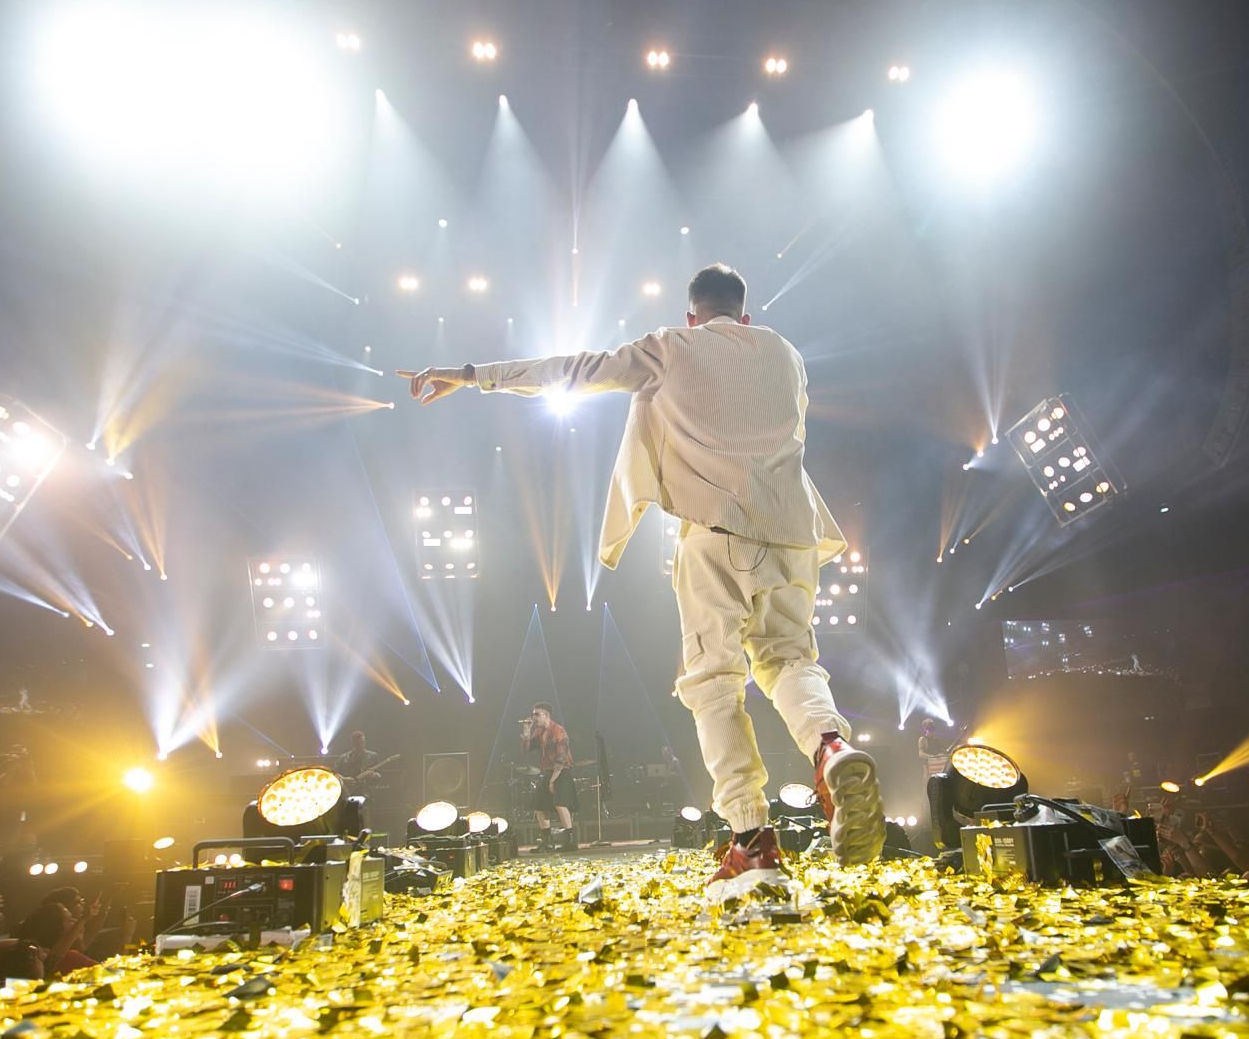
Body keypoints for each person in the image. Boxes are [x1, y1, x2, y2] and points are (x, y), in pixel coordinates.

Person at [398, 263, 884, 883]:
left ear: (691, 316)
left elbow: (575, 370)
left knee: (713, 684)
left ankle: (753, 840)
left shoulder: (671, 346)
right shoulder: (785, 353)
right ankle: (830, 746)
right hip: (794, 535)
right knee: (790, 660)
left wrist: (471, 376)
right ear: (745, 316)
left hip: (715, 533)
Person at [520, 703, 578, 845]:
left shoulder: (558, 730)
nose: (534, 717)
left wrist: (552, 781)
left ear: (546, 715)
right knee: (539, 806)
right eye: (533, 714)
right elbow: (526, 749)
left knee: (560, 804)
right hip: (548, 771)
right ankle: (547, 841)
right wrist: (526, 731)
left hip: (561, 771)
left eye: (537, 714)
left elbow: (562, 758)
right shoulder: (538, 732)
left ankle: (570, 841)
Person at [918, 719, 958, 857]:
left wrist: (944, 754)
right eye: (928, 729)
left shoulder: (937, 739)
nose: (930, 731)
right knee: (929, 791)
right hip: (928, 768)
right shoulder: (923, 740)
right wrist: (932, 757)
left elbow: (944, 751)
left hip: (939, 768)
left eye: (932, 729)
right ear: (925, 729)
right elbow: (921, 754)